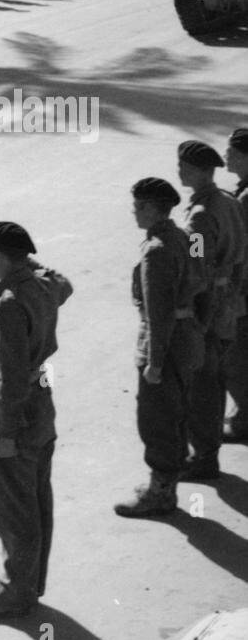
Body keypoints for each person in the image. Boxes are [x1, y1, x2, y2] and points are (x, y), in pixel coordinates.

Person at [0, 223, 74, 621]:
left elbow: (9, 377)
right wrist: (29, 263)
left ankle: (17, 592)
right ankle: (31, 582)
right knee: (36, 499)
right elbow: (64, 282)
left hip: (18, 414)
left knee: (14, 510)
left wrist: (7, 432)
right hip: (42, 406)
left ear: (0, 256)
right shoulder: (43, 285)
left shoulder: (10, 304)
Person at [114, 178, 203, 518]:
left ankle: (161, 492)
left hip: (164, 344)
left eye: (138, 206)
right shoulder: (185, 236)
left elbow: (158, 313)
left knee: (157, 419)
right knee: (178, 412)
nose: (134, 212)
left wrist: (154, 362)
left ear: (151, 208)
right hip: (188, 337)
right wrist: (200, 326)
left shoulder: (156, 251)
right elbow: (201, 277)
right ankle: (168, 483)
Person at [178, 139, 248, 481]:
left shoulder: (201, 216)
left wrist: (192, 311)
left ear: (202, 172)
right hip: (229, 302)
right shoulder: (229, 201)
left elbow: (195, 264)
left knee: (202, 385)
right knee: (217, 377)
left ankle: (203, 457)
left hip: (207, 307)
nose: (180, 172)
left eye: (186, 168)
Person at [223, 127, 248, 444]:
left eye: (231, 151)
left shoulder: (240, 201)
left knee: (233, 360)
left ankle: (244, 419)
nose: (226, 155)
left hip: (240, 289)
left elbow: (235, 247)